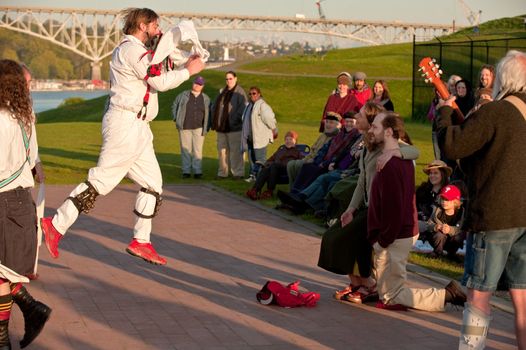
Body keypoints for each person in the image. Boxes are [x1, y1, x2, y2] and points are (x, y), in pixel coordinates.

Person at [40, 8, 205, 266]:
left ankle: (141, 241)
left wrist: (185, 59)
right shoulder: (130, 50)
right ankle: (56, 225)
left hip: (138, 126)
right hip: (125, 123)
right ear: (142, 25)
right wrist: (189, 71)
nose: (158, 31)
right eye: (155, 26)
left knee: (153, 184)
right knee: (101, 180)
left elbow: (159, 65)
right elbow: (159, 81)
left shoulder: (139, 52)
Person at [436, 50, 526, 349]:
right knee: (522, 299)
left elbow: (453, 145)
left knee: (478, 296)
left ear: (503, 79)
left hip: (495, 215)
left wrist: (445, 112)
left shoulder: (496, 111)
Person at [318, 104, 420, 304]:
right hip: (366, 206)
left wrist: (395, 153)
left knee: (343, 239)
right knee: (334, 236)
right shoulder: (366, 143)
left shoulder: (387, 143)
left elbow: (414, 151)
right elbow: (361, 181)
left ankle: (369, 284)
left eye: (361, 115)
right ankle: (358, 283)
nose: (356, 117)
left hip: (378, 209)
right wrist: (351, 208)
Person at [366, 112, 466, 311]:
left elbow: (395, 207)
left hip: (395, 235)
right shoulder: (392, 158)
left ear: (387, 132)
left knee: (391, 296)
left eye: (375, 127)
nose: (370, 130)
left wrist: (384, 239)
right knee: (387, 292)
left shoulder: (393, 164)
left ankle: (447, 295)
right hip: (393, 234)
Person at [0, 59, 52, 350]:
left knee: (1, 275)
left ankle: (2, 338)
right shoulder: (25, 114)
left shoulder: (1, 118)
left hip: (4, 201)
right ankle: (31, 309)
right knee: (3, 271)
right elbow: (33, 160)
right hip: (20, 201)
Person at [277, 112, 361, 216]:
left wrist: (325, 163)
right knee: (307, 167)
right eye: (347, 121)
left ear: (356, 123)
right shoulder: (340, 134)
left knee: (316, 172)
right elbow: (324, 148)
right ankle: (294, 194)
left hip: (332, 165)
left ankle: (299, 199)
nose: (348, 124)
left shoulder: (355, 137)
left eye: (351, 122)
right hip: (325, 162)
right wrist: (318, 161)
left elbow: (341, 155)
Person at [286, 115, 340, 190]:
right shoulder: (322, 135)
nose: (328, 125)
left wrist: (311, 160)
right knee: (291, 164)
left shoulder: (337, 137)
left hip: (319, 161)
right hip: (310, 158)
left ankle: (298, 189)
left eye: (331, 123)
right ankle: (292, 188)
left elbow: (327, 154)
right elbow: (312, 149)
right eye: (327, 122)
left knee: (299, 165)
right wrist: (306, 158)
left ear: (338, 125)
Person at [172, 75, 211, 179]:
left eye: (200, 84)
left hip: (199, 127)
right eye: (196, 83)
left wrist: (208, 126)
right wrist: (176, 118)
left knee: (197, 150)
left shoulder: (205, 98)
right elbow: (175, 105)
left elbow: (209, 112)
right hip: (184, 127)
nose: (197, 85)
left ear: (202, 86)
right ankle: (186, 171)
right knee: (186, 150)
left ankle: (198, 171)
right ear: (193, 83)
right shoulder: (183, 95)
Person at [211, 71, 248, 179]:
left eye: (230, 78)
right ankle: (223, 173)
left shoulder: (240, 92)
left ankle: (238, 173)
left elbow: (242, 109)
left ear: (235, 79)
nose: (228, 81)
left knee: (236, 152)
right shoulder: (222, 91)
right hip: (221, 128)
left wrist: (234, 120)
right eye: (227, 79)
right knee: (222, 151)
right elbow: (216, 107)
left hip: (234, 128)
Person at [246, 131, 302, 200]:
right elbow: (271, 159)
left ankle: (269, 191)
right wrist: (266, 164)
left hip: (286, 170)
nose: (288, 141)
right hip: (274, 170)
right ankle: (255, 190)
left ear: (295, 141)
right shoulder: (281, 149)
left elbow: (301, 162)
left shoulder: (297, 151)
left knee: (273, 165)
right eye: (286, 139)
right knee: (266, 168)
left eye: (291, 139)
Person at [241, 86, 277, 182]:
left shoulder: (262, 106)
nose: (252, 95)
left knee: (260, 159)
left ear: (259, 94)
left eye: (254, 93)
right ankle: (253, 176)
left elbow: (270, 119)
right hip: (250, 138)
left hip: (259, 137)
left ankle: (262, 177)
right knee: (252, 159)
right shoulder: (249, 106)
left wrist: (274, 129)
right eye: (250, 93)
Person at [422, 185, 465, 261]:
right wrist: (435, 227)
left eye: (447, 200)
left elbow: (460, 227)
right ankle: (437, 252)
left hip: (452, 240)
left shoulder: (460, 212)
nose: (444, 202)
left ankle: (451, 253)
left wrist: (450, 229)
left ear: (455, 201)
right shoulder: (437, 209)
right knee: (439, 234)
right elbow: (428, 224)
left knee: (459, 236)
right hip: (438, 239)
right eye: (442, 199)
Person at [416, 160, 451, 234]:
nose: (432, 176)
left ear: (443, 174)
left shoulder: (449, 192)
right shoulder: (421, 191)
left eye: (435, 173)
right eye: (430, 173)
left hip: (441, 229)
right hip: (421, 225)